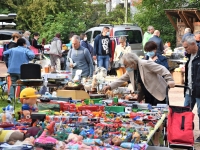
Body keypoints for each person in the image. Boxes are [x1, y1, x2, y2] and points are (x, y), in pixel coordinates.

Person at [103, 52, 175, 105]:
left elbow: (162, 69)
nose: (125, 67)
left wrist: (170, 80)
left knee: (162, 117)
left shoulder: (145, 64)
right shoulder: (131, 69)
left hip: (158, 92)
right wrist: (110, 86)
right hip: (147, 95)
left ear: (132, 62)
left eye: (126, 65)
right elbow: (122, 79)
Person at [3, 38, 35, 103]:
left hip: (12, 69)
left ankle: (10, 97)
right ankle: (20, 98)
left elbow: (4, 53)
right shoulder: (25, 50)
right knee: (22, 84)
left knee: (13, 83)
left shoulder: (12, 49)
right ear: (23, 44)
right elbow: (32, 55)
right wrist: (28, 58)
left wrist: (9, 58)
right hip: (22, 70)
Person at [182, 35, 200, 143]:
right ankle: (183, 132)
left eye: (186, 47)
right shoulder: (189, 56)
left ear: (193, 44)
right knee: (185, 110)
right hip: (189, 89)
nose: (185, 50)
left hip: (199, 90)